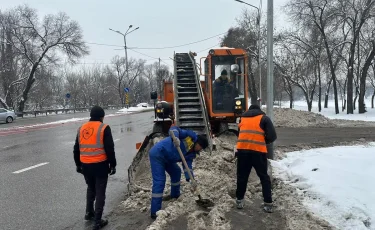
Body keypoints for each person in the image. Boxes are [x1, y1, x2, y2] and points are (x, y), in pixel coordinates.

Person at [149, 126, 209, 219]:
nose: (200, 150)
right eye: (200, 147)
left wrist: (191, 179)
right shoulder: (189, 136)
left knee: (176, 172)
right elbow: (174, 129)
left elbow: (187, 167)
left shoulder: (192, 153)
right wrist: (176, 138)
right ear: (198, 143)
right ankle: (155, 211)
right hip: (158, 154)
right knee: (160, 181)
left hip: (168, 159)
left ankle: (175, 195)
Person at [73, 105, 117, 230]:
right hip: (100, 165)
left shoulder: (81, 128)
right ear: (102, 116)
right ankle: (97, 221)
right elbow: (110, 148)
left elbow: (76, 148)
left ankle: (89, 212)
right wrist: (113, 164)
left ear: (91, 116)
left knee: (91, 188)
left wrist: (78, 164)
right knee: (100, 191)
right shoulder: (104, 128)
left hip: (85, 165)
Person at [235, 104, 277, 213]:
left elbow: (240, 134)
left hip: (242, 151)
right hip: (258, 151)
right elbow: (272, 136)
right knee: (263, 177)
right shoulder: (264, 118)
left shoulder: (242, 118)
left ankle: (239, 200)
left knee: (242, 177)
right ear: (259, 110)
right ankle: (268, 203)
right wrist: (264, 141)